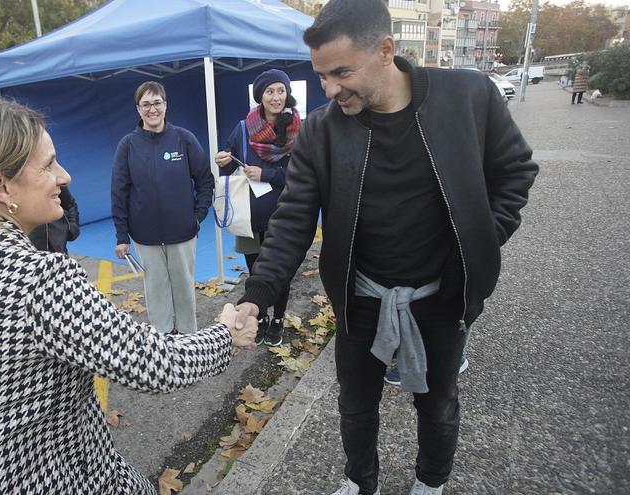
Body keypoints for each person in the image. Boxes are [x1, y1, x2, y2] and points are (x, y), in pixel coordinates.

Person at [228, 1, 538, 494]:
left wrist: (481, 238)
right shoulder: (322, 131)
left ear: (386, 51)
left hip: (442, 297)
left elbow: (515, 172)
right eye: (321, 76)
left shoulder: (469, 97)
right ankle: (359, 483)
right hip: (360, 299)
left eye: (341, 72)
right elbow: (292, 221)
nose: (330, 89)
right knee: (355, 404)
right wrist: (257, 293)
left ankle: (431, 483)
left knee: (437, 405)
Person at [0, 98, 257, 493]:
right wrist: (225, 335)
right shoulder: (35, 280)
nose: (64, 176)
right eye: (48, 165)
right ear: (0, 186)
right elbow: (156, 363)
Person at [111, 81, 214, 334]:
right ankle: (162, 336)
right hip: (145, 236)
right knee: (156, 288)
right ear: (138, 109)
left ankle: (189, 336)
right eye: (146, 104)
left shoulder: (183, 139)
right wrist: (122, 236)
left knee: (183, 286)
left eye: (157, 103)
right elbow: (119, 191)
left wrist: (197, 216)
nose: (152, 109)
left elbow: (205, 180)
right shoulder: (128, 145)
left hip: (183, 232)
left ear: (165, 105)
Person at [215, 69, 300, 347]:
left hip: (284, 216)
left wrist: (267, 174)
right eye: (270, 92)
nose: (276, 97)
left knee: (281, 272)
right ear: (260, 97)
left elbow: (301, 175)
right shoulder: (243, 128)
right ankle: (260, 316)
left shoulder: (298, 129)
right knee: (256, 271)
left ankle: (278, 319)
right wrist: (224, 160)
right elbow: (230, 165)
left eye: (281, 91)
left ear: (287, 94)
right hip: (249, 218)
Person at [28, 186, 80, 254]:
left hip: (59, 252)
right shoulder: (14, 184)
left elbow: (70, 205)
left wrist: (72, 228)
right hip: (29, 254)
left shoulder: (54, 179)